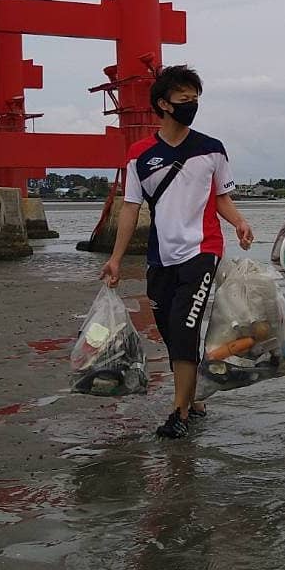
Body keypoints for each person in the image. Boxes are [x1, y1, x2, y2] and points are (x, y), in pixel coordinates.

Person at [100, 65, 254, 440]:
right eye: (184, 99)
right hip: (160, 256)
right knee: (170, 331)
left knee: (185, 326)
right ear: (163, 105)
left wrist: (239, 222)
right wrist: (117, 258)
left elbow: (220, 197)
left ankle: (179, 411)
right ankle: (195, 396)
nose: (191, 105)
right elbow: (131, 208)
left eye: (195, 99)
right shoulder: (140, 155)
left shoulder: (211, 149)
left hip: (203, 250)